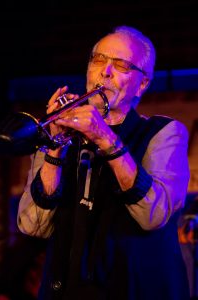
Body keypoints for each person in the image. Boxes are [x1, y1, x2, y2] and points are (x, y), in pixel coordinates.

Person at [17, 25, 190, 300]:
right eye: (98, 60)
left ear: (142, 84)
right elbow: (32, 225)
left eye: (120, 65)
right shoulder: (57, 136)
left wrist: (104, 137)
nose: (104, 72)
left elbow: (152, 216)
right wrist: (55, 147)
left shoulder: (165, 133)